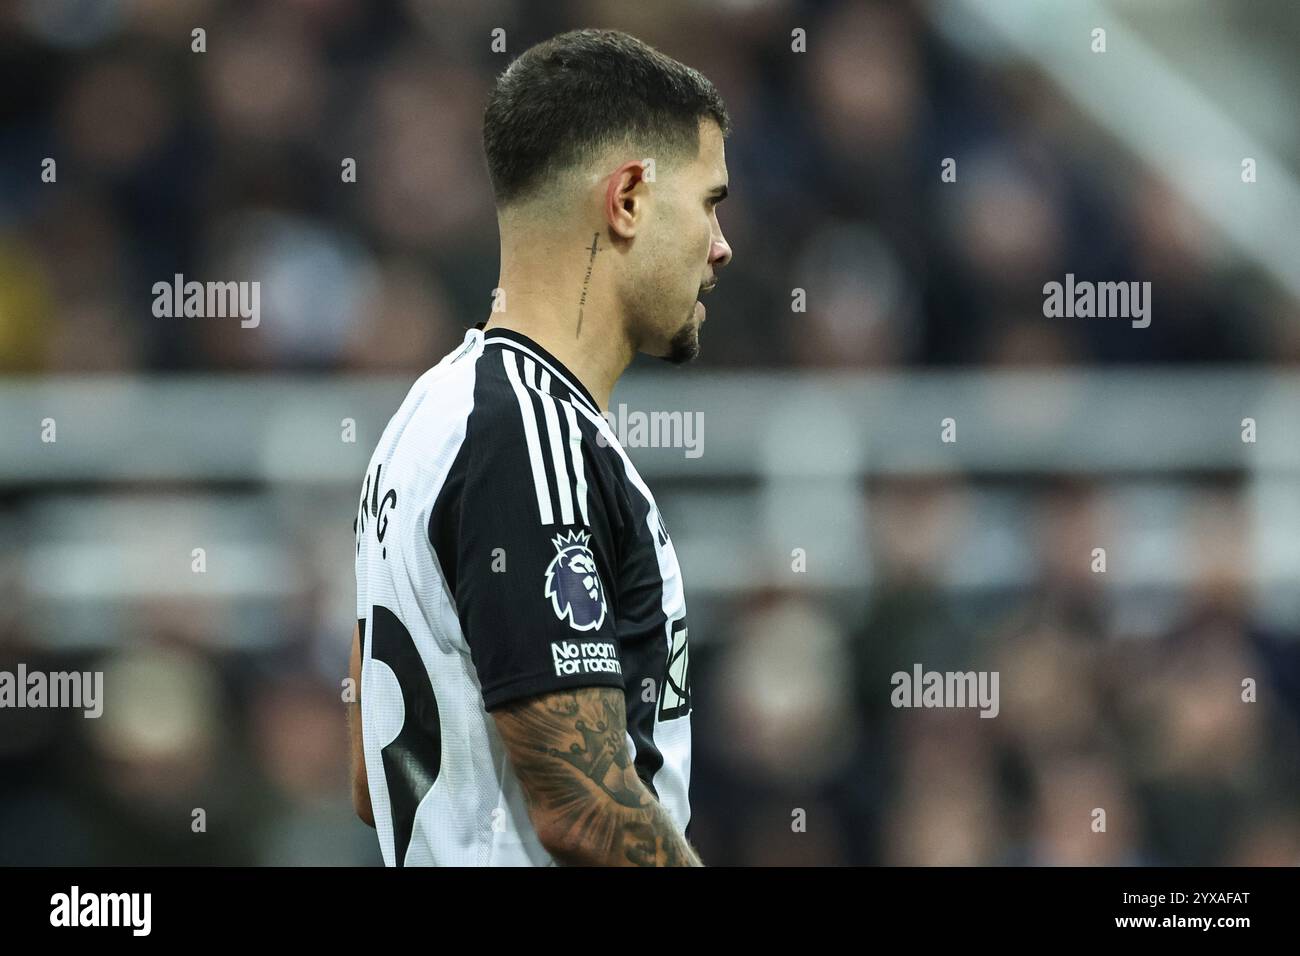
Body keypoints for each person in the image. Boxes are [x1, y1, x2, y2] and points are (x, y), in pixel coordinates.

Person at [348, 28, 732, 866]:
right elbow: (582, 806)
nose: (720, 246)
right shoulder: (530, 432)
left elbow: (367, 770)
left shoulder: (424, 418)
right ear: (628, 197)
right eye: (710, 202)